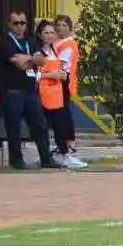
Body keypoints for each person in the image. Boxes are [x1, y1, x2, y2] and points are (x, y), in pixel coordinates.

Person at [0, 8, 56, 170]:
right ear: (9, 24)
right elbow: (20, 64)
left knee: (40, 125)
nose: (20, 26)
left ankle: (46, 158)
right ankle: (16, 160)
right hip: (12, 90)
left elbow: (41, 60)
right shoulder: (6, 42)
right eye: (16, 23)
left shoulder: (31, 41)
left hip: (30, 90)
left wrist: (28, 58)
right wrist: (31, 59)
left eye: (23, 23)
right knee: (14, 126)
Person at [33, 19, 85, 168]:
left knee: (60, 125)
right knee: (44, 127)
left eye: (52, 32)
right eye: (46, 33)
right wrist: (51, 75)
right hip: (43, 94)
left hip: (56, 95)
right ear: (40, 35)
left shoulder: (55, 51)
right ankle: (46, 157)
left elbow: (62, 70)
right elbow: (35, 74)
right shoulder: (38, 53)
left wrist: (59, 74)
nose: (50, 35)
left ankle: (64, 154)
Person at [53, 14, 80, 156]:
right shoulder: (57, 42)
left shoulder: (68, 43)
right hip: (57, 78)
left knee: (63, 112)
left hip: (63, 78)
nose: (60, 28)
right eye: (58, 25)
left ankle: (69, 141)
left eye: (64, 25)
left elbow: (61, 63)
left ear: (69, 28)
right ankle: (64, 142)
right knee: (60, 112)